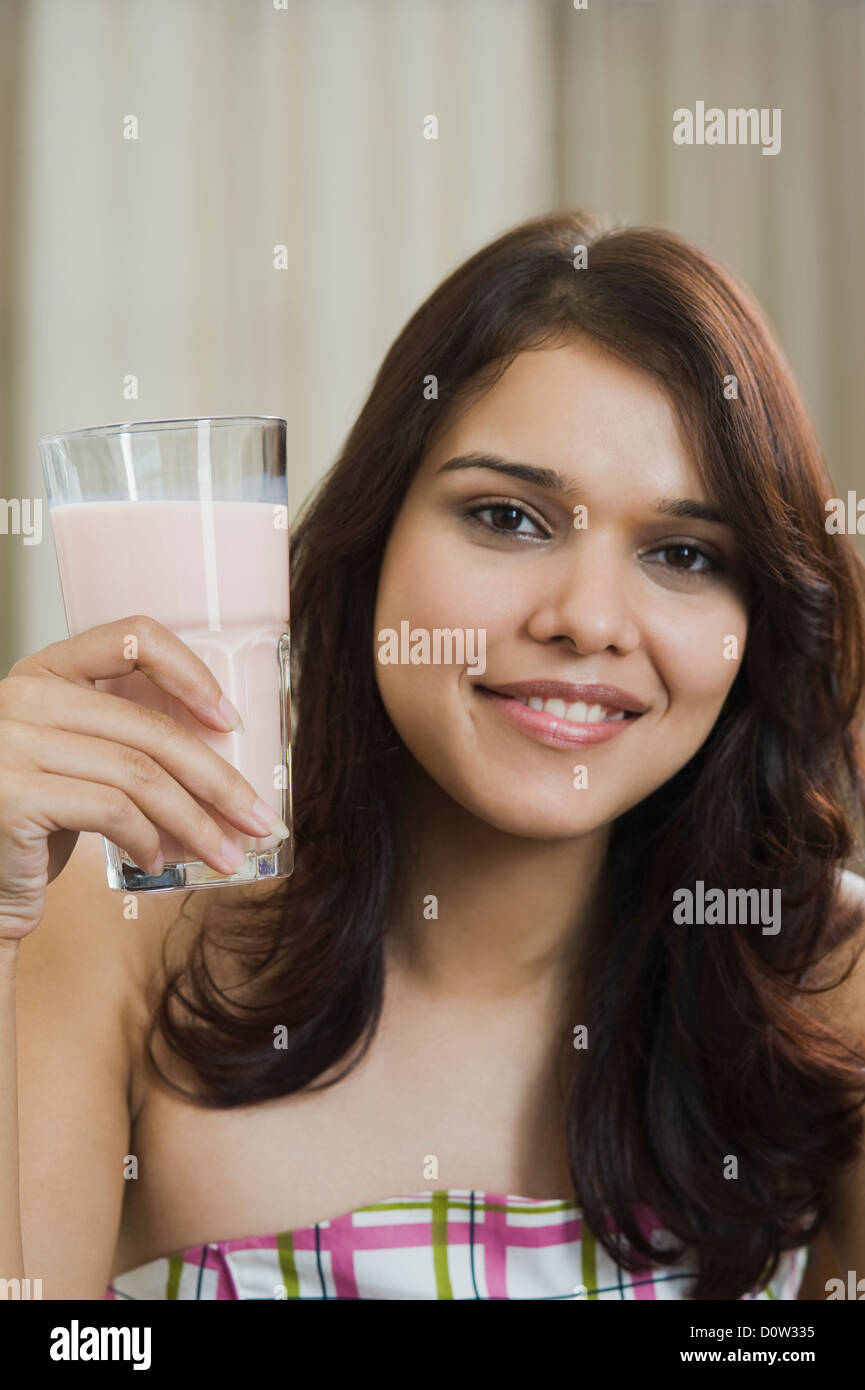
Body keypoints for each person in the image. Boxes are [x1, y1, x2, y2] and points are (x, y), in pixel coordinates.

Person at [1, 211, 864, 1301]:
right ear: (372, 546)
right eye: (508, 517)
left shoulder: (827, 976)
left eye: (684, 553)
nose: (588, 620)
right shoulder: (114, 935)